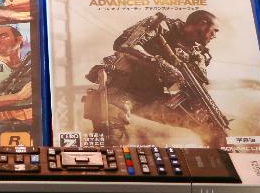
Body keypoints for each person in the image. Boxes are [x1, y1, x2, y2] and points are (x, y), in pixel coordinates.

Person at [84, 10, 227, 147]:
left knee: (212, 128)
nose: (214, 35)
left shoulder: (197, 54)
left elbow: (195, 88)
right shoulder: (161, 25)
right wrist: (160, 65)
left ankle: (218, 158)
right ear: (202, 24)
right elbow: (125, 45)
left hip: (152, 98)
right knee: (110, 137)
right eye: (214, 30)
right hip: (122, 91)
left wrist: (200, 111)